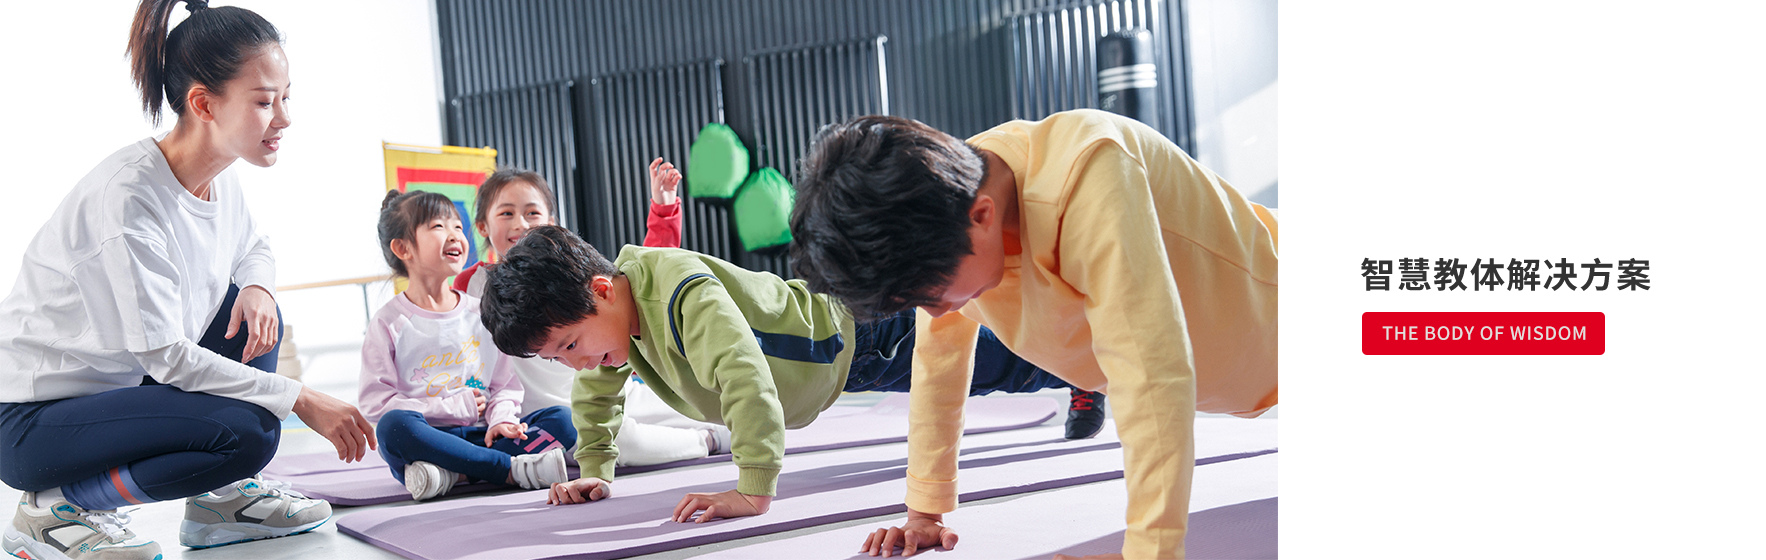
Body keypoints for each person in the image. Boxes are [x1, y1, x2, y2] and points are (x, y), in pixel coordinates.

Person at [786, 109, 1279, 559]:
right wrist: (924, 513)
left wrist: (1151, 552)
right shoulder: (946, 202)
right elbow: (938, 366)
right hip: (1238, 373)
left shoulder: (1090, 173)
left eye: (931, 294)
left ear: (982, 217)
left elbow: (1150, 371)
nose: (934, 313)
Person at [0, 0, 374, 556]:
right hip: (36, 423)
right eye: (265, 102)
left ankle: (220, 502)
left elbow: (254, 245)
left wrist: (258, 286)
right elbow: (166, 357)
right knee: (248, 433)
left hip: (125, 390)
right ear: (203, 103)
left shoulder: (220, 176)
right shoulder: (129, 199)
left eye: (286, 97)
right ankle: (57, 507)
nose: (284, 118)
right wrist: (300, 397)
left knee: (252, 309)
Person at [478, 226, 1083, 522]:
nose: (576, 362)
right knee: (981, 365)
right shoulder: (611, 333)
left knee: (988, 363)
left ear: (603, 290)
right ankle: (1072, 359)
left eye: (571, 344)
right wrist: (596, 468)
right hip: (834, 371)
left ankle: (1087, 364)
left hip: (857, 333)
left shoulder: (682, 292)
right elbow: (595, 394)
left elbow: (744, 376)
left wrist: (753, 487)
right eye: (557, 358)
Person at [455, 162, 730, 468]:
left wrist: (663, 211)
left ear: (550, 222)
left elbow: (636, 286)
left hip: (608, 387)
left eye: (532, 213)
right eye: (506, 213)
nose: (520, 223)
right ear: (482, 226)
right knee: (611, 440)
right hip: (550, 414)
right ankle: (708, 440)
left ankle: (722, 432)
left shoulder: (565, 275)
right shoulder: (471, 286)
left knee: (705, 406)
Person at [360, 190, 574, 501]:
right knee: (393, 428)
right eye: (438, 226)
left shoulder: (481, 312)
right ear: (403, 248)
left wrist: (502, 420)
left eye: (458, 226)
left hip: (486, 436)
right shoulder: (388, 322)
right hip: (430, 440)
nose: (454, 235)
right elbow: (376, 405)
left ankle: (454, 474)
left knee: (564, 420)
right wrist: (448, 408)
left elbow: (505, 385)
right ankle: (509, 470)